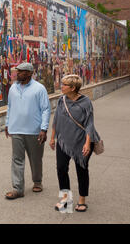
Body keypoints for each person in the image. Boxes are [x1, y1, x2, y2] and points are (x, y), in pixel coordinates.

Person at [49, 74, 100, 212]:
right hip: (64, 141)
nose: (61, 87)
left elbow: (90, 123)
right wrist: (52, 138)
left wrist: (87, 143)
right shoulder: (61, 100)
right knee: (61, 168)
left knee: (81, 169)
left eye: (64, 85)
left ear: (72, 88)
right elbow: (56, 120)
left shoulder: (86, 102)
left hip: (81, 141)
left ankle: (82, 199)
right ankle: (65, 199)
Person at [5, 62, 51, 200]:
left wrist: (44, 128)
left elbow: (46, 109)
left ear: (29, 73)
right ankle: (18, 188)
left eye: (21, 71)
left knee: (35, 159)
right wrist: (7, 124)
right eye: (17, 71)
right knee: (17, 159)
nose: (17, 73)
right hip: (16, 130)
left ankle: (37, 181)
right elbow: (10, 107)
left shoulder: (39, 89)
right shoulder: (13, 88)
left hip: (34, 131)